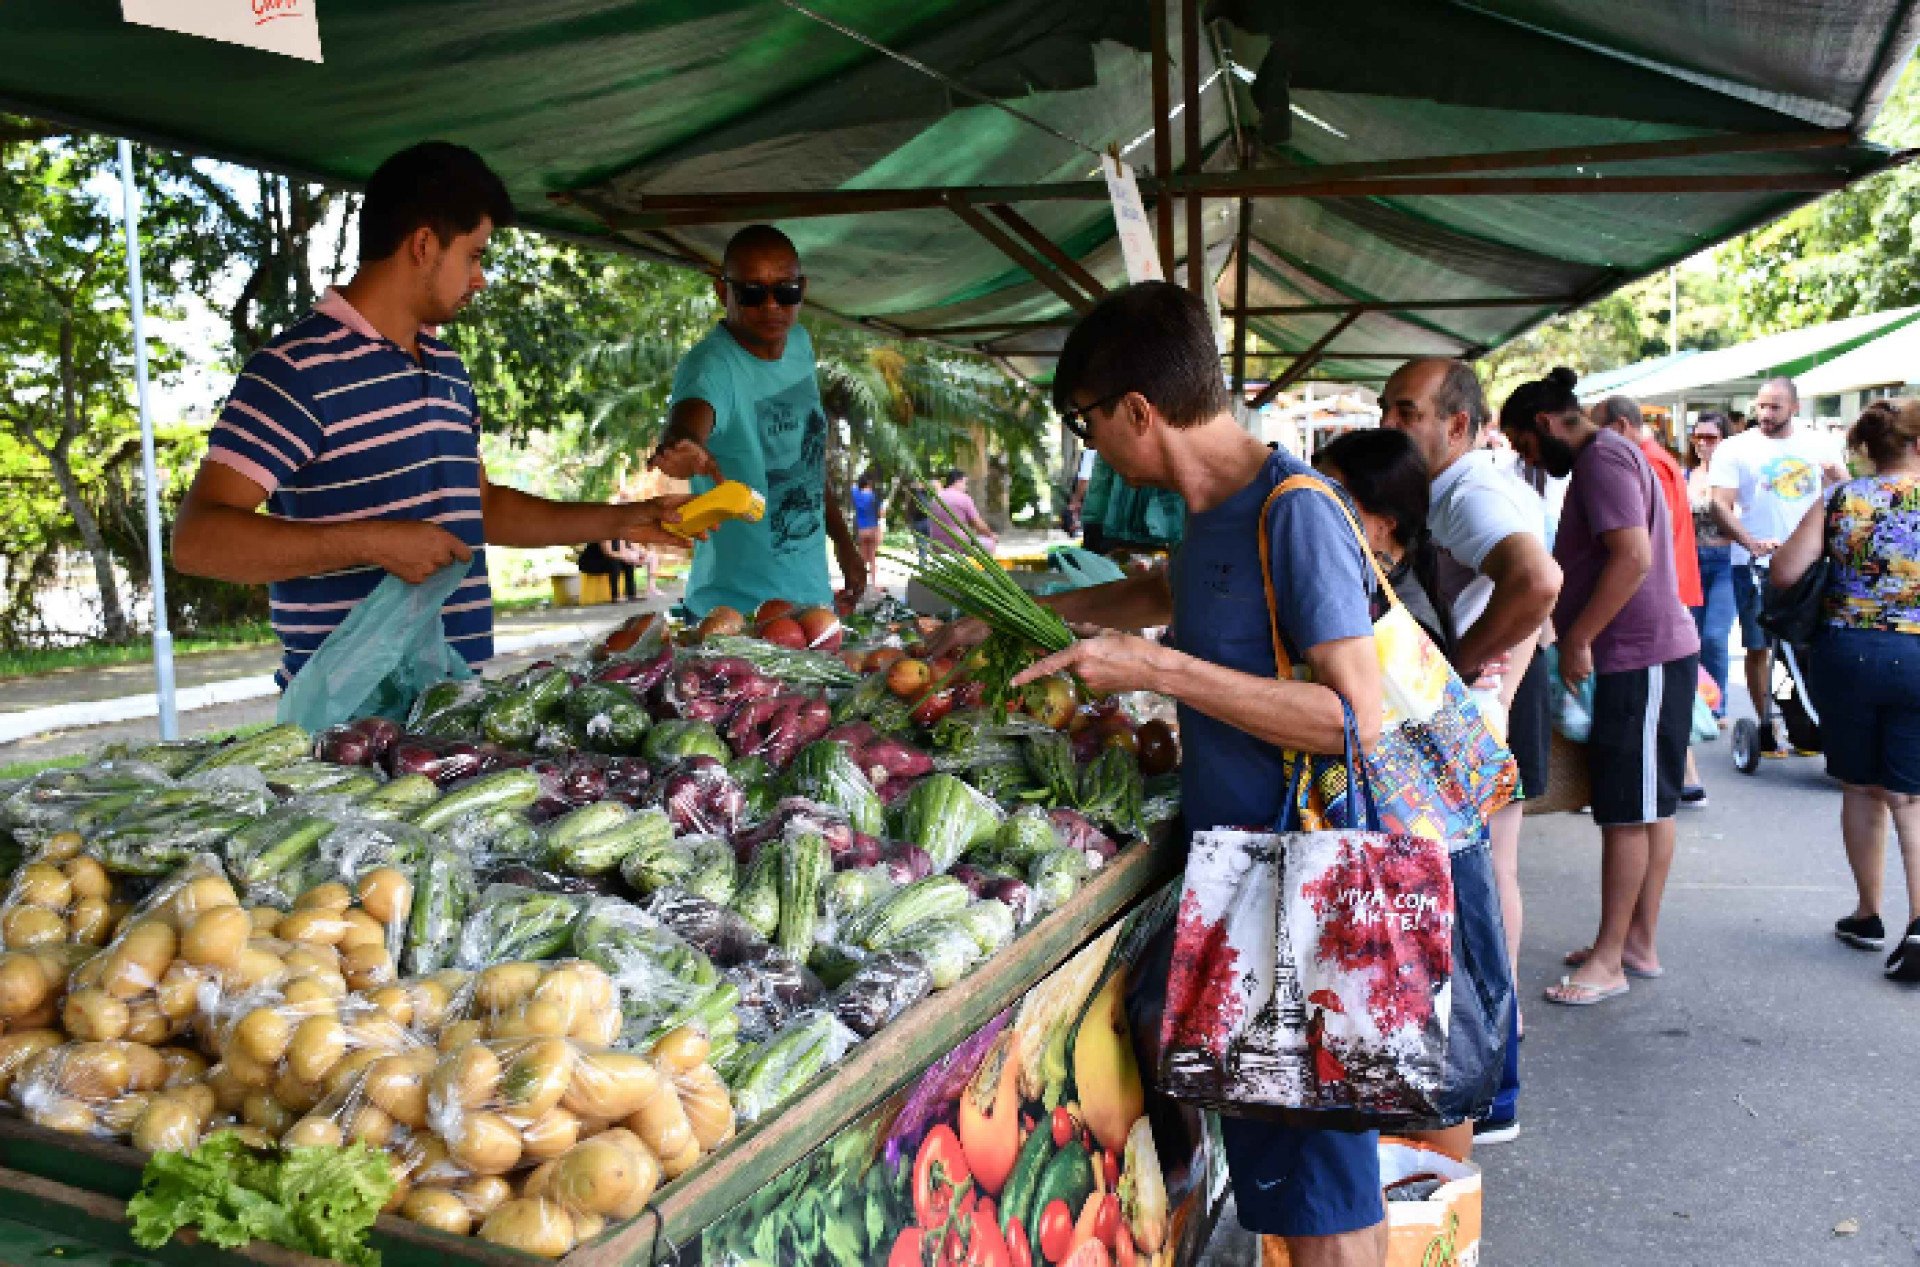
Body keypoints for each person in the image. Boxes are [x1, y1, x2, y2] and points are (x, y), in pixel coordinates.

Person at [936, 281, 1393, 1266]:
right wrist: (1021, 611)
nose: (1092, 444)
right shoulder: (1206, 516)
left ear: (1139, 410)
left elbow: (1355, 716)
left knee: (1326, 1194)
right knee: (1289, 1186)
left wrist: (1154, 665)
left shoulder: (1293, 510)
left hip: (1309, 883)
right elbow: (1158, 589)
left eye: (1089, 422)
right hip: (1244, 878)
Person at [173, 142, 693, 687]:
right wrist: (373, 541)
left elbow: (483, 508)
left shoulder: (446, 367)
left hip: (456, 694)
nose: (481, 278)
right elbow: (198, 541)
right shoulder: (295, 370)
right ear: (423, 244)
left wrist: (620, 521)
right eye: (474, 255)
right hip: (348, 719)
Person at [1379, 356, 1560, 1143]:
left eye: (1407, 412)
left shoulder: (1466, 492)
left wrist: (1445, 676)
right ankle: (1495, 1066)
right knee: (1487, 880)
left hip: (1479, 708)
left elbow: (1538, 581)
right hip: (1493, 698)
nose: (1391, 425)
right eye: (1386, 409)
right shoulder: (1460, 487)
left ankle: (1490, 1079)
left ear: (1457, 426)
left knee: (1478, 892)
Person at [1502, 368, 1700, 1005]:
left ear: (1545, 424)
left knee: (1628, 813)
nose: (1529, 461)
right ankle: (1635, 942)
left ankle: (1612, 960)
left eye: (1526, 447)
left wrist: (1581, 637)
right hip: (1647, 656)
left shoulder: (1601, 462)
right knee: (1648, 805)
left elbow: (1633, 557)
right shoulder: (1613, 456)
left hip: (1637, 658)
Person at [1770, 399, 1920, 981]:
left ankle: (1867, 914)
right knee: (1910, 797)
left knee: (1861, 787)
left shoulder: (1839, 500)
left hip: (1849, 652)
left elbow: (1785, 573)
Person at [649, 225, 866, 615]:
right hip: (736, 615)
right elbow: (689, 419)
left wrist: (844, 543)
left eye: (785, 292)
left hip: (811, 604)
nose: (771, 306)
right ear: (722, 291)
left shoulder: (799, 342)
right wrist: (682, 444)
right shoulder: (711, 368)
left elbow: (808, 455)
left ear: (803, 287)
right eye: (751, 293)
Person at [1708, 377, 1847, 752]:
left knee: (1811, 646)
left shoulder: (1818, 442)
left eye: (1775, 407)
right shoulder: (1736, 448)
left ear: (1795, 407)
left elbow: (1848, 496)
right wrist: (1749, 542)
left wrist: (1837, 477)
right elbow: (1719, 503)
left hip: (1813, 564)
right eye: (1761, 407)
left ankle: (1810, 722)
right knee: (1760, 646)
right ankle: (1766, 724)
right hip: (1754, 563)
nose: (1765, 414)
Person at [1594, 396, 1708, 806]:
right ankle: (1683, 777)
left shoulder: (1644, 461)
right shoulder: (1652, 458)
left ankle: (1684, 778)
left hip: (1662, 594)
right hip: (1668, 589)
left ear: (1622, 425)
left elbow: (1638, 546)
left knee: (1658, 713)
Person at [1314, 429, 1449, 650]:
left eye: (1330, 502)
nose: (1310, 511)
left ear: (1382, 526)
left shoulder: (1407, 629)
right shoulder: (1355, 583)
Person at [1685, 413, 1736, 717]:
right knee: (1691, 638)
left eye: (1711, 438)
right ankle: (1698, 707)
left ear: (1724, 440)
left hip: (1726, 561)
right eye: (1698, 438)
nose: (1703, 444)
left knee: (1714, 637)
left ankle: (1717, 707)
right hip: (1692, 560)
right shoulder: (1686, 476)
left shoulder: (1735, 476)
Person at [928, 469, 998, 553]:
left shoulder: (935, 499)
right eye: (965, 483)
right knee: (989, 543)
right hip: (957, 544)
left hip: (936, 545)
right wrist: (991, 535)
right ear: (958, 481)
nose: (966, 487)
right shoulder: (963, 498)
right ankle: (979, 566)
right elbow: (978, 524)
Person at [851, 472, 882, 591]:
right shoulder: (873, 496)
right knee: (873, 558)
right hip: (873, 529)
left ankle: (860, 584)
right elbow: (880, 514)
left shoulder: (855, 494)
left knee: (862, 558)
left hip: (862, 530)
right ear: (869, 483)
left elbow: (853, 487)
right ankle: (873, 584)